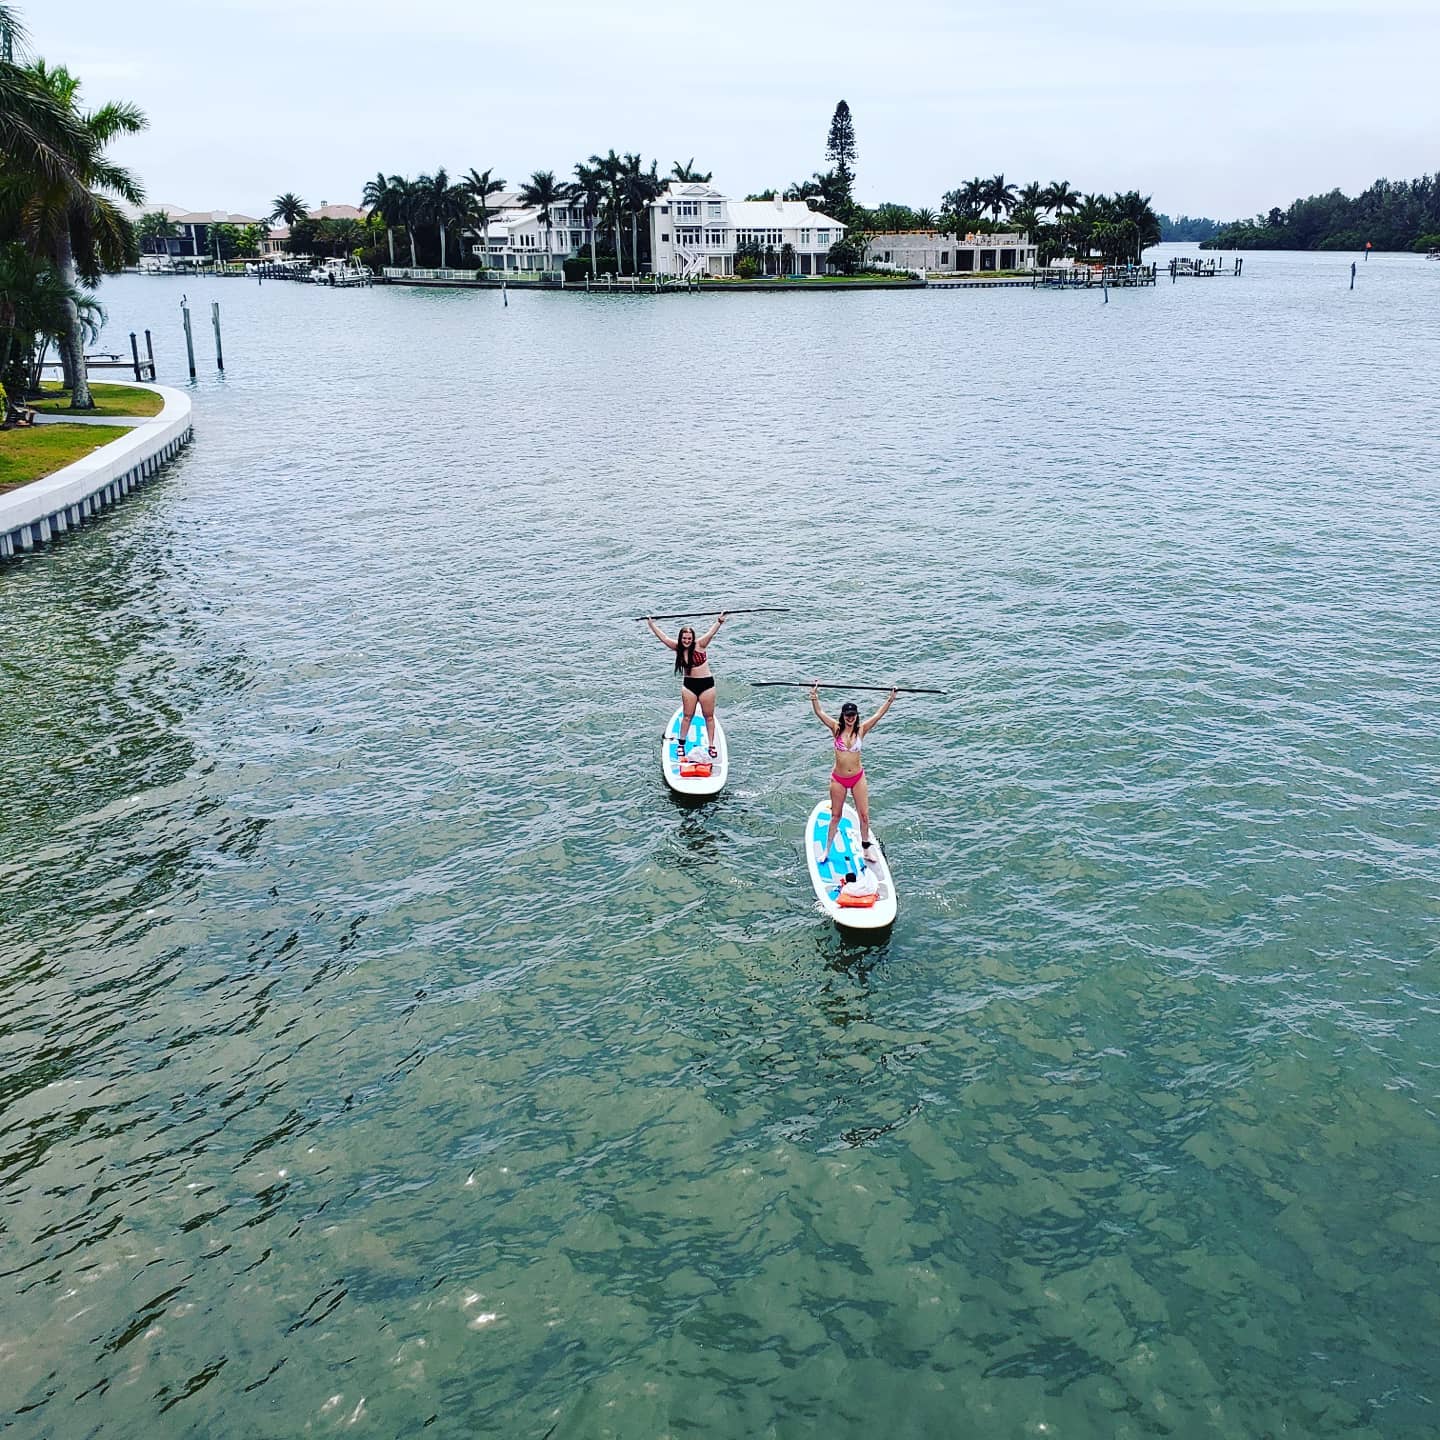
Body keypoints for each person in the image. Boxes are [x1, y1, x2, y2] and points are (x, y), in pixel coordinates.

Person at [810, 683, 896, 861]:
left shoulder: (861, 730)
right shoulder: (836, 729)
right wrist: (814, 697)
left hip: (857, 778)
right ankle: (827, 850)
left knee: (864, 816)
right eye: (847, 715)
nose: (850, 718)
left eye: (853, 715)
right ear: (843, 716)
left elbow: (878, 715)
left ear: (856, 716)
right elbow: (820, 713)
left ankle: (866, 850)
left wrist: (890, 699)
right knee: (836, 816)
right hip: (838, 779)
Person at [645, 612, 727, 759]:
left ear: (693, 638)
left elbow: (711, 633)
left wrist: (719, 622)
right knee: (687, 716)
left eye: (689, 638)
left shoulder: (701, 644)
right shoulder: (678, 648)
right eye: (684, 638)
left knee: (709, 716)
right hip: (689, 686)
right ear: (681, 638)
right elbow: (663, 638)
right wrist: (652, 625)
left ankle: (711, 745)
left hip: (706, 684)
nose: (687, 641)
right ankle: (681, 744)